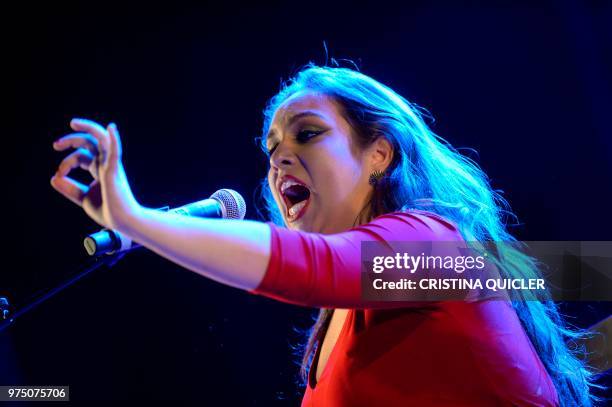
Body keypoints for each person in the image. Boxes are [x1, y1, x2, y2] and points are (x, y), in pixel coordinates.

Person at [51, 64, 600, 406]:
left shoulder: (437, 246)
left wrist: (137, 218)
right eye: (271, 150)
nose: (280, 157)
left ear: (379, 154)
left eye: (307, 134)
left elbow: (308, 265)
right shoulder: (338, 319)